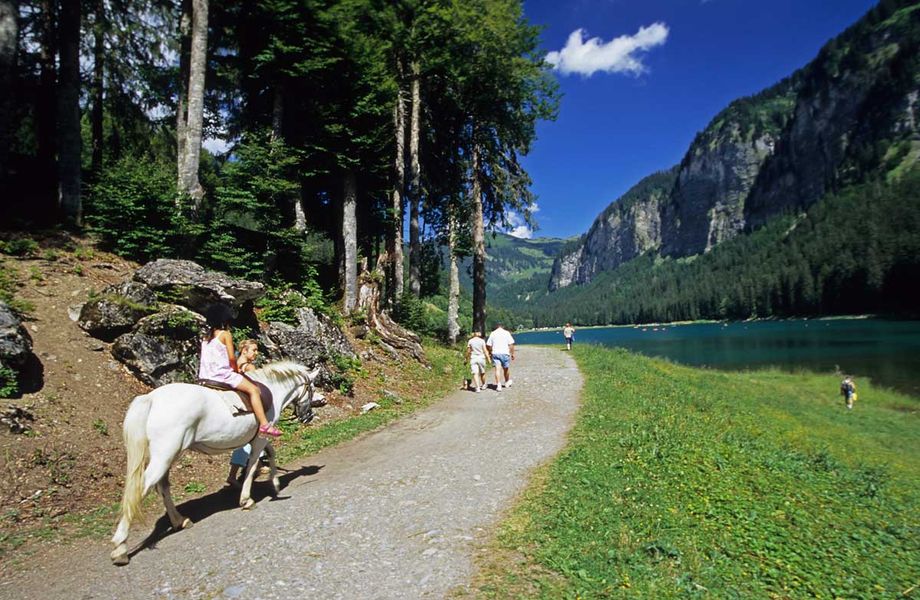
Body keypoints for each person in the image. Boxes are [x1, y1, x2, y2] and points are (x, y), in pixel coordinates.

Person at [199, 303, 280, 437]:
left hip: (205, 376)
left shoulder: (206, 338)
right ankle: (265, 424)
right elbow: (231, 358)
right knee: (254, 390)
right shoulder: (225, 334)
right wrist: (236, 370)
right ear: (225, 319)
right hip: (222, 375)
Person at [226, 339, 268, 487]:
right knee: (253, 437)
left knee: (243, 442)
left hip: (236, 404)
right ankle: (258, 465)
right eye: (254, 350)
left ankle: (240, 471)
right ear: (245, 350)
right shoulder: (249, 367)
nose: (256, 353)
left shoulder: (235, 366)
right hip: (248, 405)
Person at [486, 323, 515, 391]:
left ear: (497, 327)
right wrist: (512, 353)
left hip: (496, 353)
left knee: (497, 369)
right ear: (502, 327)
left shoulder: (493, 333)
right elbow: (511, 344)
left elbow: (488, 345)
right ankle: (507, 382)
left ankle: (498, 385)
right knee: (506, 369)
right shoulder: (506, 333)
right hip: (505, 353)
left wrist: (490, 351)